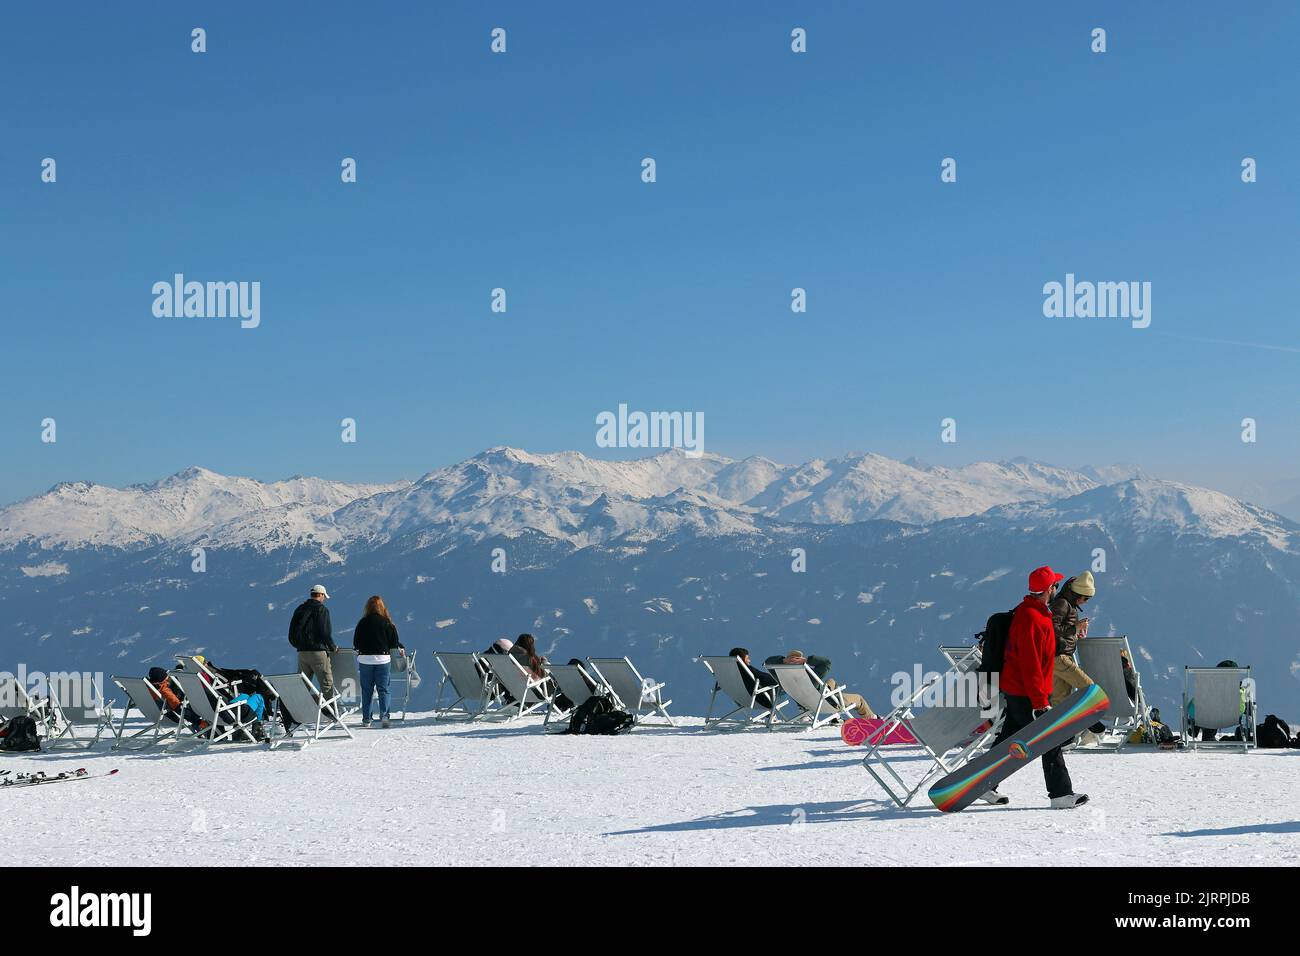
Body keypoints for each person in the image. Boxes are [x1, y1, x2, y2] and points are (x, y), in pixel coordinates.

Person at [987, 566, 1088, 809]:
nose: (1056, 588)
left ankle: (985, 784)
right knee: (1049, 738)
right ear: (1048, 590)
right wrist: (1040, 701)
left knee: (1008, 739)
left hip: (1020, 690)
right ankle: (1061, 795)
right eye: (1055, 585)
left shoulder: (1033, 612)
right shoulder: (1031, 618)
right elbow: (1031, 663)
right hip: (1026, 692)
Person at [1049, 571, 1107, 741]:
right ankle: (1090, 723)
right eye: (1086, 598)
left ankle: (1063, 737)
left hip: (1055, 657)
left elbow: (1062, 629)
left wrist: (1076, 632)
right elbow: (1051, 629)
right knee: (1090, 689)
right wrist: (1075, 628)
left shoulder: (1067, 604)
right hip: (1060, 657)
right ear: (1078, 594)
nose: (1086, 602)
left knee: (1060, 700)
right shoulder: (1062, 604)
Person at [765, 649, 875, 718]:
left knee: (831, 681)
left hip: (805, 702)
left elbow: (768, 661)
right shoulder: (809, 675)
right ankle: (871, 719)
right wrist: (807, 660)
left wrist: (783, 661)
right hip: (825, 702)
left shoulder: (781, 675)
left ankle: (834, 714)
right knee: (859, 699)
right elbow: (827, 663)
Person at [353, 595, 406, 728]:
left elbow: (356, 643)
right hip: (383, 660)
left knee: (367, 690)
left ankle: (366, 719)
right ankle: (384, 717)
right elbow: (393, 642)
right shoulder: (387, 623)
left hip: (365, 660)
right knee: (383, 689)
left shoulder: (362, 623)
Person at [288, 584, 337, 698]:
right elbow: (325, 632)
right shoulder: (321, 609)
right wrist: (332, 646)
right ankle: (328, 712)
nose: (324, 599)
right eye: (323, 596)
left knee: (303, 684)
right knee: (326, 684)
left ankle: (300, 711)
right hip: (318, 652)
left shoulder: (300, 608)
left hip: (302, 652)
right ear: (320, 595)